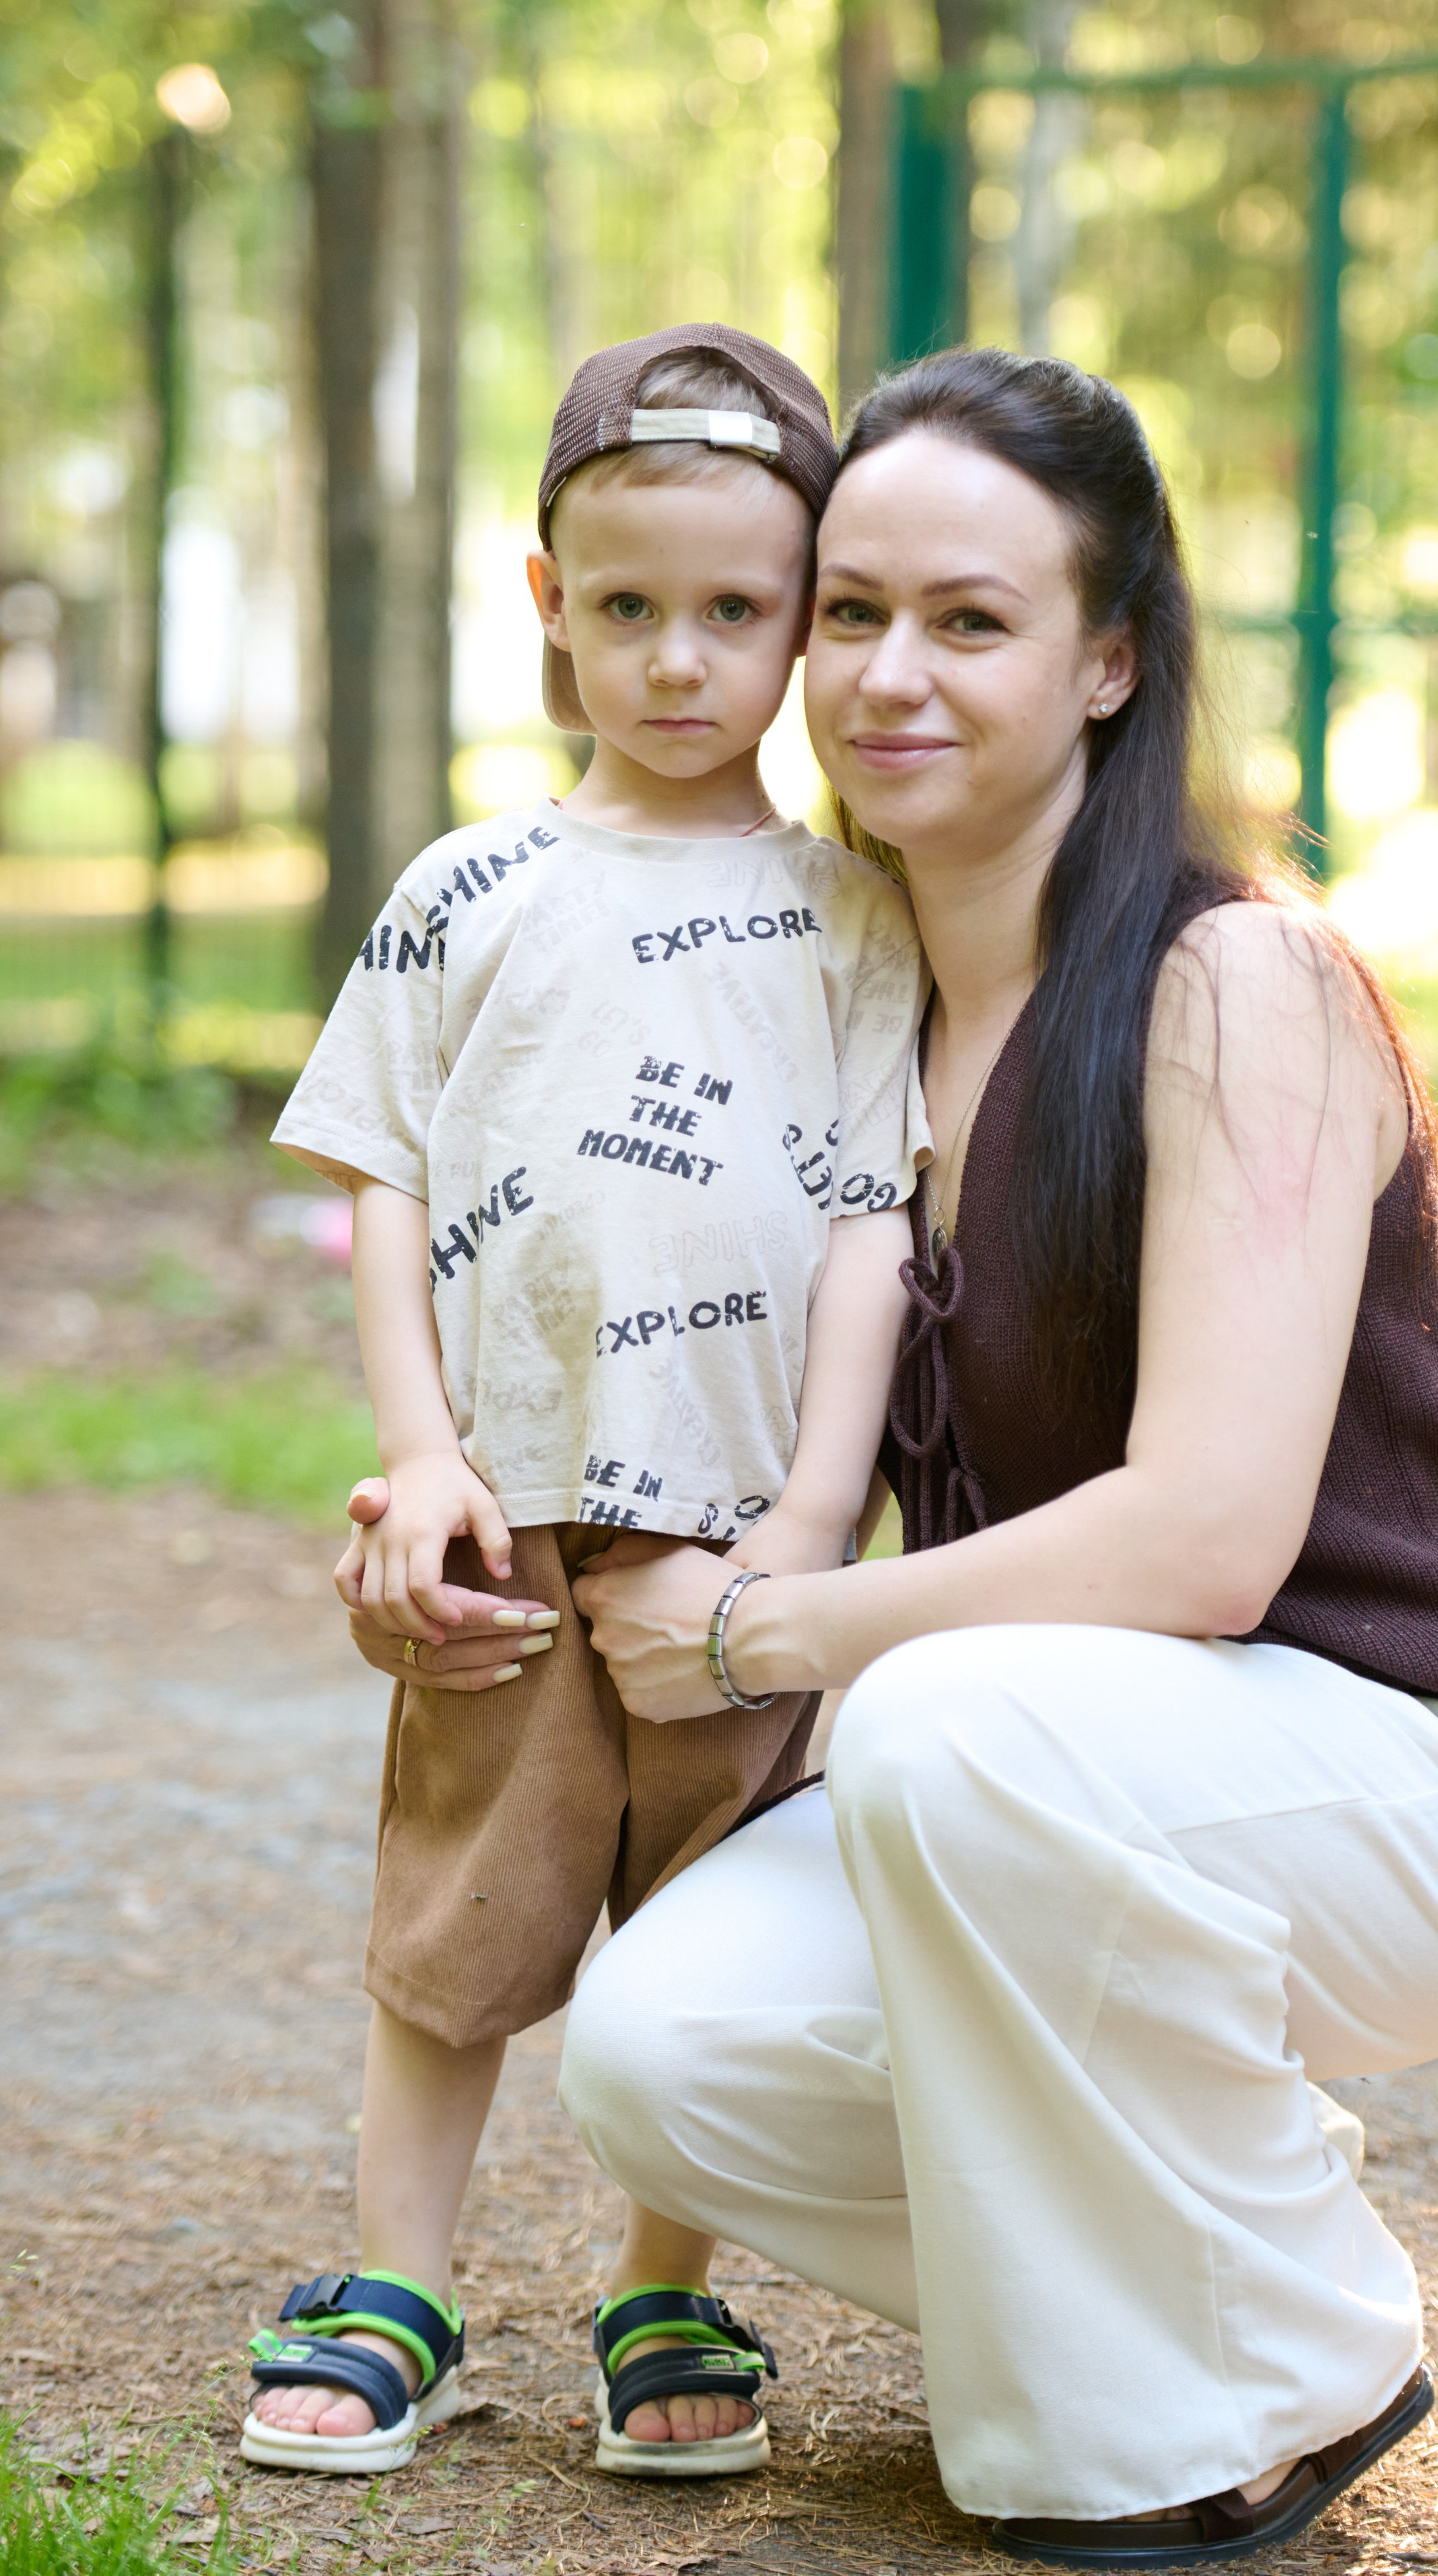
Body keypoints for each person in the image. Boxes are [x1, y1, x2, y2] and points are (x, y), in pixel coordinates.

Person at [544, 349, 1438, 2565]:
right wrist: (453, 1513)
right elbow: (653, 1376)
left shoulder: (1241, 984)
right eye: (852, 613)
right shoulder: (840, 1014)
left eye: (973, 621)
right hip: (1057, 1775)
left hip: (1403, 1769)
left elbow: (1210, 1539)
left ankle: (1154, 2447)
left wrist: (765, 1636)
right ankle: (1269, 2289)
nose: (889, 676)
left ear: (1109, 660)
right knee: (660, 2049)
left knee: (932, 1718)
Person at [242, 324, 925, 2480]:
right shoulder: (467, 892)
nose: (679, 659)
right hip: (510, 1519)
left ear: (807, 622)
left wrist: (805, 1525)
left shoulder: (857, 914)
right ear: (550, 605)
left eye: (737, 610)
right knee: (460, 1909)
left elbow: (870, 1230)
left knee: (703, 1915)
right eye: (627, 607)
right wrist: (423, 1457)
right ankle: (401, 2283)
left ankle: (664, 2286)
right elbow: (386, 1181)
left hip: (739, 1536)